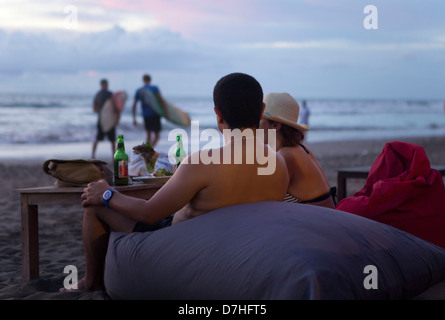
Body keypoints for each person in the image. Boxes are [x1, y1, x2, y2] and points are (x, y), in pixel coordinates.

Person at [73, 73, 289, 292]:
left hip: (182, 246)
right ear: (262, 110)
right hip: (241, 250)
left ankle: (91, 282)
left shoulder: (202, 162)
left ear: (218, 114)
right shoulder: (278, 163)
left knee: (94, 204)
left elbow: (149, 214)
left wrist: (106, 193)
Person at [260, 92, 336, 208]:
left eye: (258, 120)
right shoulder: (300, 149)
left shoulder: (285, 156)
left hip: (317, 222)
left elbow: (265, 200)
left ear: (275, 125)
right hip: (324, 217)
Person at [132, 74, 170, 147]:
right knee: (157, 136)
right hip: (155, 114)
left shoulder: (139, 91)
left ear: (143, 80)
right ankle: (149, 150)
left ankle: (148, 151)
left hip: (146, 115)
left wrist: (134, 118)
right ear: (150, 80)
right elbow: (161, 100)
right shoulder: (154, 88)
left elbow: (134, 105)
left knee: (148, 135)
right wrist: (166, 113)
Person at [92, 79, 115, 159]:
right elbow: (114, 106)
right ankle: (113, 157)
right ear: (105, 85)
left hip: (101, 119)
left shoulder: (98, 95)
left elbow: (94, 108)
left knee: (100, 138)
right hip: (108, 120)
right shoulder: (109, 94)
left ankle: (93, 155)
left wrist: (101, 112)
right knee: (111, 139)